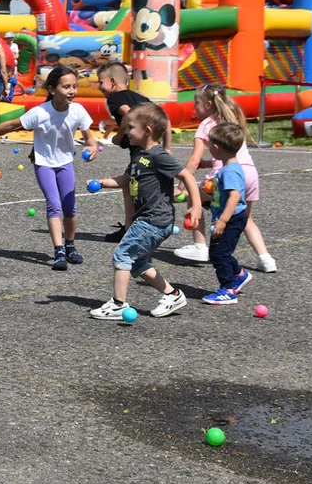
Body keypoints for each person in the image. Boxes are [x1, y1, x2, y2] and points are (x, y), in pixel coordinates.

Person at [0, 66, 98, 270]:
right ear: (53, 89)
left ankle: (70, 245)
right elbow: (11, 125)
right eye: (66, 87)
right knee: (54, 204)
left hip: (65, 162)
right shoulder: (40, 112)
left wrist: (92, 148)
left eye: (74, 86)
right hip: (44, 163)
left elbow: (90, 139)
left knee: (70, 207)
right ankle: (59, 251)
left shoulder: (78, 110)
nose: (72, 91)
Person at [88, 104, 202, 320]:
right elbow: (127, 180)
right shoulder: (139, 154)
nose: (126, 132)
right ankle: (173, 294)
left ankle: (118, 304)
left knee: (122, 254)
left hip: (154, 220)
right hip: (148, 219)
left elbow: (186, 176)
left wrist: (195, 206)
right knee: (138, 263)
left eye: (130, 127)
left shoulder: (159, 155)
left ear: (147, 131)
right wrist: (102, 182)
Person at [173, 83, 277, 272]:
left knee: (191, 195)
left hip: (226, 176)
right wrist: (208, 163)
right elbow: (226, 156)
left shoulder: (206, 125)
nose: (194, 107)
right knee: (245, 217)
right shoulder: (232, 117)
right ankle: (266, 259)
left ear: (209, 104)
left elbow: (194, 160)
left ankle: (199, 246)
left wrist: (180, 187)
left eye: (197, 103)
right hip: (249, 172)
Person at [96, 61, 171, 242]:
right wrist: (167, 148)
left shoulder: (114, 99)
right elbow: (166, 120)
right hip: (154, 147)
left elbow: (129, 113)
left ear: (113, 81)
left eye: (101, 82)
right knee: (135, 186)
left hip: (139, 152)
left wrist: (119, 137)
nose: (99, 87)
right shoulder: (141, 98)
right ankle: (131, 227)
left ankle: (134, 229)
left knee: (134, 186)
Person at [200, 123, 254, 305]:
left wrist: (222, 220)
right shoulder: (227, 167)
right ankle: (239, 274)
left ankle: (228, 290)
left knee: (219, 255)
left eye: (209, 145)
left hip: (230, 219)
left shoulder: (230, 171)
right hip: (230, 217)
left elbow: (234, 196)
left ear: (216, 148)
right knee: (220, 252)